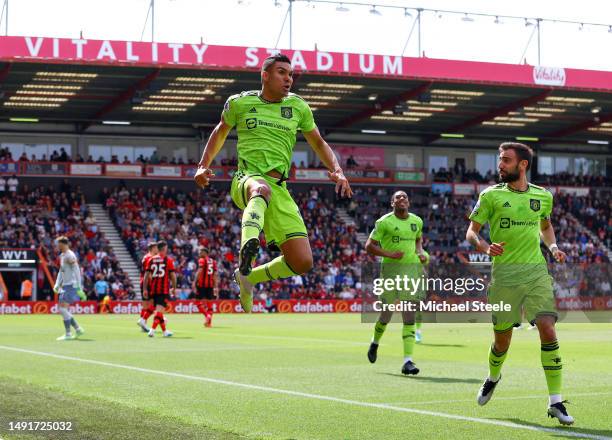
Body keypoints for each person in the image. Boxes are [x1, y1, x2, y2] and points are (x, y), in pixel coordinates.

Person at [194, 53, 352, 313]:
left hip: (280, 189)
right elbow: (220, 131)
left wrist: (337, 170)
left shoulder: (298, 107)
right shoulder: (240, 103)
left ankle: (248, 277)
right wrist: (203, 165)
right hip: (247, 178)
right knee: (260, 189)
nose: (288, 79)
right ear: (265, 75)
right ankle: (249, 250)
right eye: (282, 72)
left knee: (302, 262)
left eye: (290, 74)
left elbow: (318, 142)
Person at [466, 142, 573, 425]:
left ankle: (556, 401)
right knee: (502, 341)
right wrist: (485, 246)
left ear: (522, 165)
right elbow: (471, 232)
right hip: (504, 278)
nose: (500, 165)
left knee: (548, 330)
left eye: (506, 160)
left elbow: (545, 225)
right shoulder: (490, 196)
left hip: (536, 273)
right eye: (500, 160)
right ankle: (492, 377)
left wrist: (552, 248)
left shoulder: (542, 196)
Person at [365, 191, 428, 375]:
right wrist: (390, 254)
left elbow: (418, 241)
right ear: (392, 203)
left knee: (409, 316)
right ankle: (375, 342)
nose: (402, 199)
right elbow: (369, 246)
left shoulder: (417, 221)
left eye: (405, 197)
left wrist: (420, 252)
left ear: (409, 202)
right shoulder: (384, 222)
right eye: (398, 198)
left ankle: (408, 361)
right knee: (386, 315)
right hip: (390, 274)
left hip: (409, 274)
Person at [53, 236, 86, 340]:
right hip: (65, 285)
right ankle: (77, 329)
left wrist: (79, 287)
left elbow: (77, 270)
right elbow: (61, 271)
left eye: (58, 243)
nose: (57, 245)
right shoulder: (62, 255)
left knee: (62, 309)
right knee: (63, 309)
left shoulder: (70, 255)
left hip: (71, 285)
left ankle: (69, 333)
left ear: (63, 244)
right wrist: (57, 283)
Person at [143, 241, 175, 337]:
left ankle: (165, 332)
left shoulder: (151, 259)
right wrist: (174, 287)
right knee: (159, 311)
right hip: (163, 289)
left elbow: (146, 275)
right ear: (164, 249)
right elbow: (173, 275)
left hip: (153, 289)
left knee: (159, 311)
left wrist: (145, 289)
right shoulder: (168, 260)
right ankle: (152, 331)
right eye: (166, 248)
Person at [191, 247, 218, 327]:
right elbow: (215, 275)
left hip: (202, 285)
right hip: (210, 285)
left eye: (200, 252)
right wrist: (215, 286)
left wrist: (194, 282)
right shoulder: (213, 261)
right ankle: (209, 323)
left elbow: (200, 271)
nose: (199, 253)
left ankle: (207, 316)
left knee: (197, 302)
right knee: (209, 304)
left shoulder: (202, 260)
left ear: (205, 253)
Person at [137, 242, 158, 332]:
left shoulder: (145, 257)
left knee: (145, 305)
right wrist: (154, 282)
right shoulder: (150, 258)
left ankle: (143, 324)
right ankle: (143, 321)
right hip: (148, 283)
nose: (157, 249)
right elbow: (148, 273)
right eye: (156, 248)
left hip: (142, 282)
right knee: (155, 304)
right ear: (153, 248)